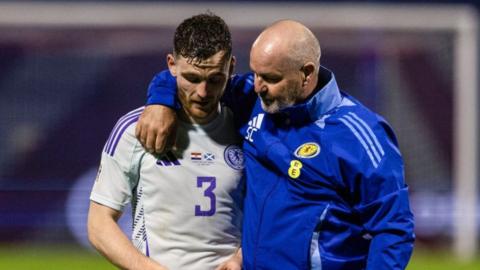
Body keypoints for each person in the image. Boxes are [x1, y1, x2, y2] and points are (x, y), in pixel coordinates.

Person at [137, 20, 415, 269]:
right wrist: (160, 100)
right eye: (255, 73)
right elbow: (191, 76)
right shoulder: (255, 101)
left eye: (270, 78)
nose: (257, 86)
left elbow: (393, 230)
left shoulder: (360, 135)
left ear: (306, 73)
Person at [87, 13, 244, 270]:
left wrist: (241, 257)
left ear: (231, 67)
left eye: (215, 79)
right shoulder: (134, 129)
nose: (203, 92)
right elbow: (98, 223)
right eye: (192, 78)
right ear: (172, 65)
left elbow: (267, 211)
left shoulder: (249, 128)